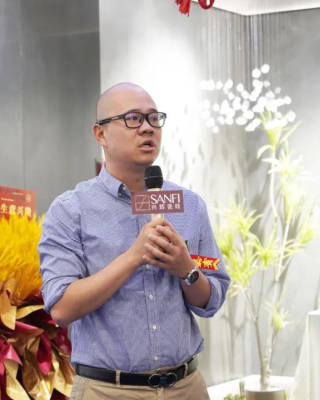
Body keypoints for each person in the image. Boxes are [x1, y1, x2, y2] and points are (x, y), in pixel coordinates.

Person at [38, 82, 230, 399]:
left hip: (186, 387)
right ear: (100, 134)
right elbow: (61, 308)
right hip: (107, 390)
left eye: (154, 118)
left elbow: (211, 299)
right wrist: (133, 257)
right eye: (133, 118)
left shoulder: (189, 204)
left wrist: (187, 270)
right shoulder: (72, 210)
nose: (147, 128)